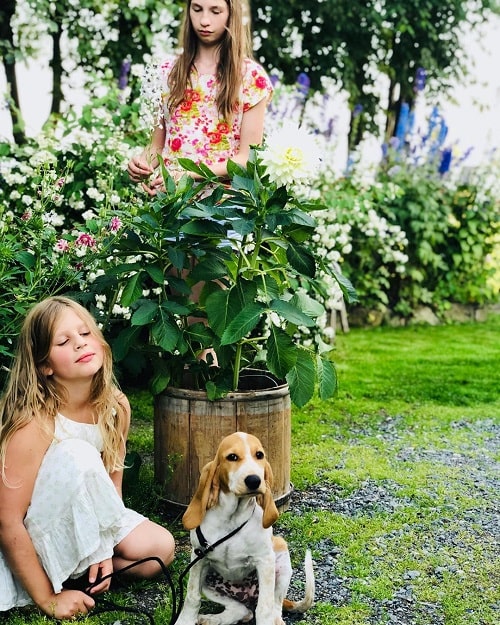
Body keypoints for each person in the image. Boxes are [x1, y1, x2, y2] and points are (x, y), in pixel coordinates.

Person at [0, 296, 175, 619]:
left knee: (159, 548)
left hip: (85, 517)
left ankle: (81, 572)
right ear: (45, 365)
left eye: (86, 333)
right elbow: (8, 520)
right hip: (34, 529)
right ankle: (47, 577)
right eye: (64, 341)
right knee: (78, 453)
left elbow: (109, 489)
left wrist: (103, 544)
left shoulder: (115, 406)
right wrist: (48, 599)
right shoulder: (35, 424)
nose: (80, 344)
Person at [127, 0, 273, 193]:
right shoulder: (166, 72)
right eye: (197, 9)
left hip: (223, 207)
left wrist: (189, 174)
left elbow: (247, 160)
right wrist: (142, 164)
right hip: (171, 202)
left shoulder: (251, 77)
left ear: (231, 14)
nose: (204, 20)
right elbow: (157, 146)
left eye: (215, 11)